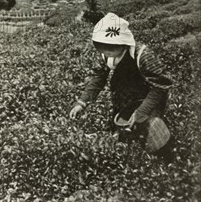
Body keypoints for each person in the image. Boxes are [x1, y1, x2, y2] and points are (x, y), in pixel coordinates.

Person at [69, 13, 174, 159]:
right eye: (103, 47)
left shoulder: (143, 54)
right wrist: (82, 102)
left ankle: (164, 160)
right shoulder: (105, 55)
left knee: (153, 135)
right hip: (123, 99)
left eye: (112, 47)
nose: (107, 51)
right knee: (126, 136)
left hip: (148, 100)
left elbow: (161, 86)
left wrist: (142, 110)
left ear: (123, 43)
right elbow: (98, 78)